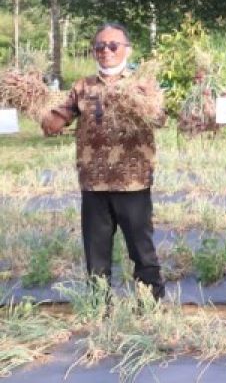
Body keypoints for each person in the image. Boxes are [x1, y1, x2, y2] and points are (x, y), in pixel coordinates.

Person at [41, 22, 167, 301]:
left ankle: (151, 303)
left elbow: (159, 117)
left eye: (113, 46)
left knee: (141, 249)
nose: (106, 51)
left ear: (127, 50)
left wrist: (145, 102)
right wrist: (35, 102)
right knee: (96, 252)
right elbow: (54, 121)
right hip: (94, 182)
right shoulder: (82, 87)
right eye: (99, 46)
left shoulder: (142, 85)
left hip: (132, 182)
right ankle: (99, 304)